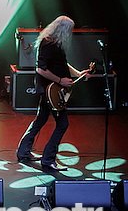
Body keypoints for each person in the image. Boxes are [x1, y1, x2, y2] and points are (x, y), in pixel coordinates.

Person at [16, 15, 91, 171]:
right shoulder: (48, 43)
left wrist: (78, 73)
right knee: (62, 124)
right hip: (50, 91)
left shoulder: (56, 44)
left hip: (53, 89)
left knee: (40, 119)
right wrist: (60, 80)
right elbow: (40, 69)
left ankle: (23, 151)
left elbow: (62, 64)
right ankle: (48, 159)